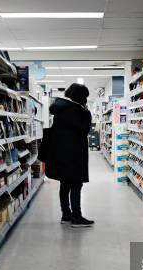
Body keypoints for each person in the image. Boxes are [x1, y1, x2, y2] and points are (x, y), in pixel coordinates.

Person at [45, 83, 94, 228]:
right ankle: (77, 217)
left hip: (60, 153)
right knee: (76, 184)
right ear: (81, 97)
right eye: (85, 97)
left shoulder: (59, 109)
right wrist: (86, 112)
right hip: (75, 153)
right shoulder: (79, 111)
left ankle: (66, 215)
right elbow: (85, 129)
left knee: (65, 184)